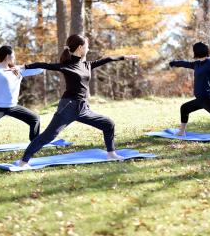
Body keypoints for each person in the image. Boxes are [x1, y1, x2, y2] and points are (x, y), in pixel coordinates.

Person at [17, 34, 138, 168]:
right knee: (48, 136)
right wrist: (23, 67)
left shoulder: (86, 65)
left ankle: (111, 153)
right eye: (87, 46)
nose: (89, 48)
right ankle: (23, 161)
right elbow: (44, 65)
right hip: (68, 107)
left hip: (83, 108)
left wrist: (123, 57)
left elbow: (106, 59)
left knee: (108, 124)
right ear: (80, 47)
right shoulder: (67, 66)